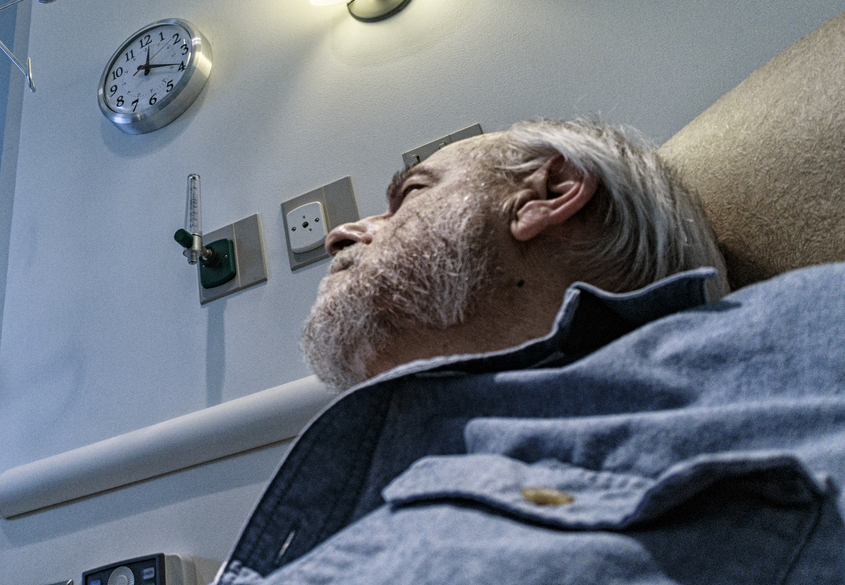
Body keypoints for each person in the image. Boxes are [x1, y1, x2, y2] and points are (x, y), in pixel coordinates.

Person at [216, 119, 845, 584]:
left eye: (409, 195)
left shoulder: (811, 323)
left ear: (549, 193)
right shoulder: (358, 489)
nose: (342, 234)